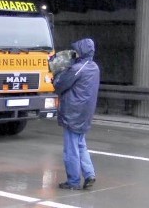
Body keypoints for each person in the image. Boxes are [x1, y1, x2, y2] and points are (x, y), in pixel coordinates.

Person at [53, 38, 100, 190]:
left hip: (73, 113)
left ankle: (73, 181)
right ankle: (89, 174)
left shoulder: (77, 69)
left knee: (71, 149)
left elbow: (60, 86)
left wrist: (57, 74)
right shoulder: (94, 67)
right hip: (85, 112)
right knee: (81, 145)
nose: (76, 53)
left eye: (78, 50)